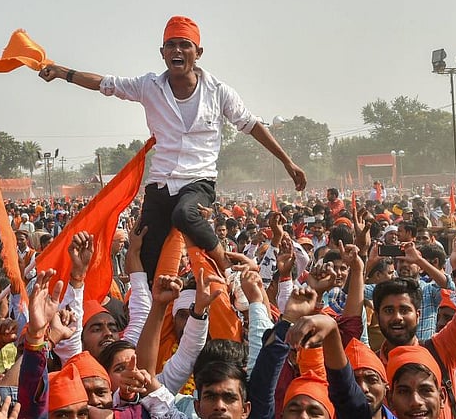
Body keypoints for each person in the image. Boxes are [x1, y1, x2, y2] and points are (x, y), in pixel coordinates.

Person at [39, 16, 306, 280]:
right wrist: (62, 72)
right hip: (160, 184)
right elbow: (105, 84)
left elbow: (251, 125)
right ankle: (147, 311)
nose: (177, 50)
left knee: (184, 214)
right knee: (144, 253)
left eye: (184, 45)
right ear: (162, 53)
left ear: (198, 53)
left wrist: (287, 162)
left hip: (197, 182)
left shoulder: (219, 92)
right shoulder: (148, 86)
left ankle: (226, 268)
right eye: (171, 45)